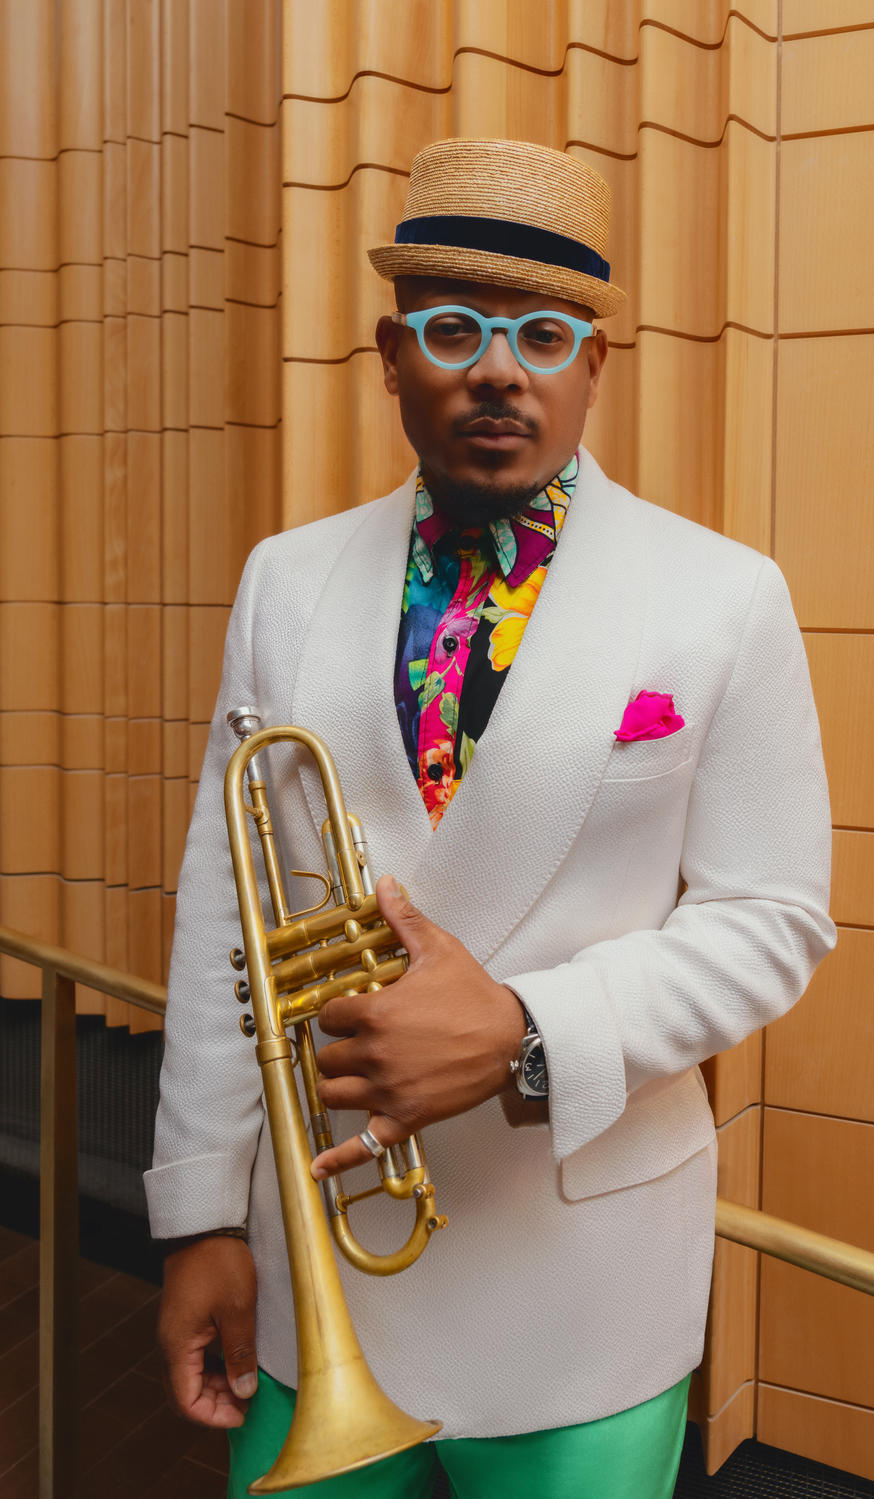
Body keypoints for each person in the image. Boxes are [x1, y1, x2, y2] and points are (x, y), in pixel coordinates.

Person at [145, 138, 835, 1499]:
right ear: (394, 354)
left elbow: (775, 919)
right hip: (321, 1260)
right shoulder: (284, 581)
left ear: (593, 363)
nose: (499, 367)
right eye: (456, 327)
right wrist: (198, 1217)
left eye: (543, 330)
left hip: (580, 1284)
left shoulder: (726, 597)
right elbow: (230, 909)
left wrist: (530, 1035)